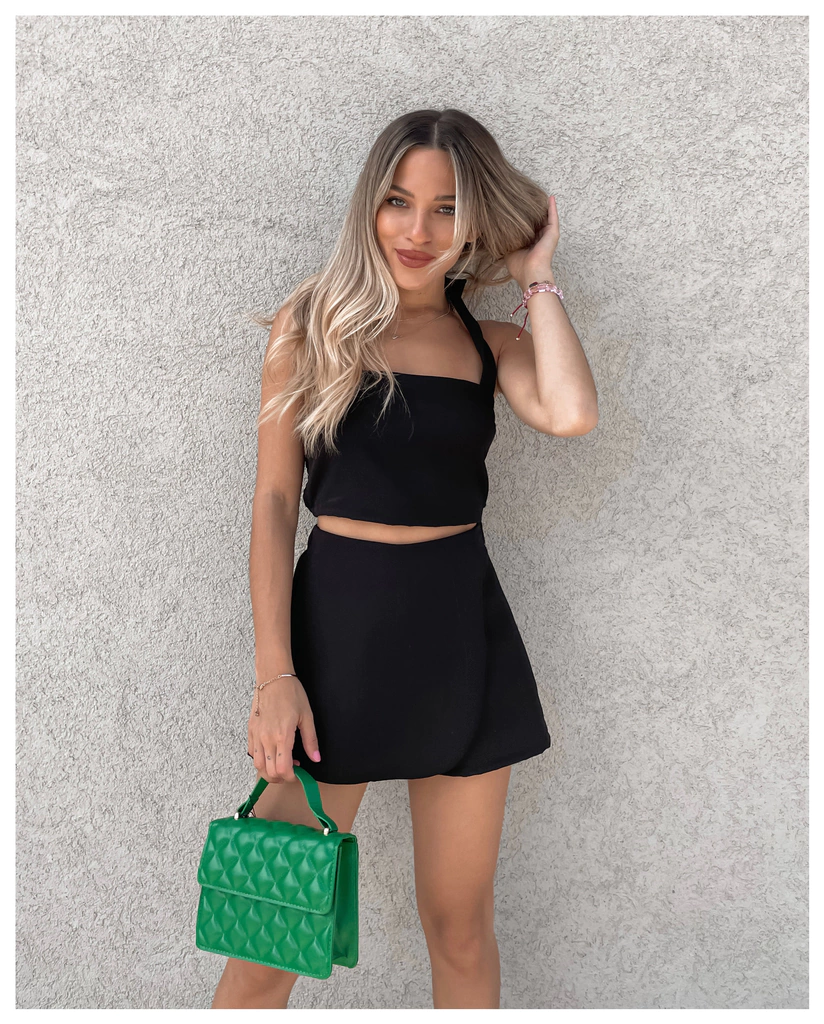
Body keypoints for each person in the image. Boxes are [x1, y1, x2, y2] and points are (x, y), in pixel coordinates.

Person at [210, 108, 598, 1010]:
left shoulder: (487, 343)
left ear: (476, 221)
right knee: (268, 938)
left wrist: (536, 277)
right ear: (369, 206)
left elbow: (572, 412)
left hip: (463, 641)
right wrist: (275, 674)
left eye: (446, 208)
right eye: (397, 201)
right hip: (337, 641)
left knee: (459, 927)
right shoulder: (311, 325)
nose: (417, 230)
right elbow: (273, 504)